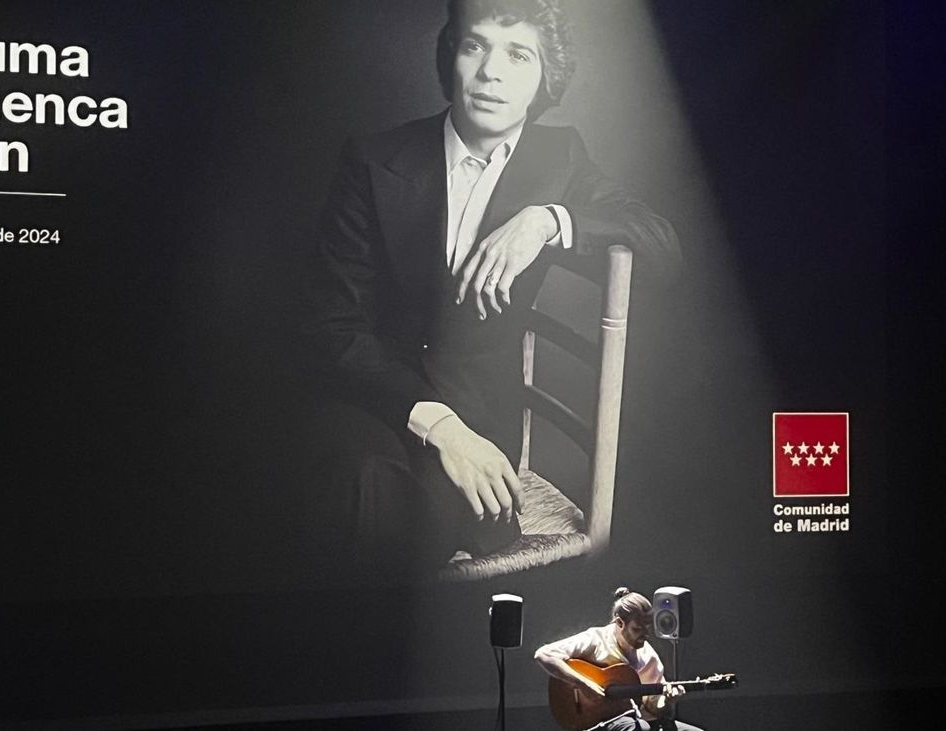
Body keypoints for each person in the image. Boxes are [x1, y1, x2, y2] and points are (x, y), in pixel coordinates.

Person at [300, 0, 679, 573]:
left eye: (518, 54)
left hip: (479, 413)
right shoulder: (374, 159)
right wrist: (440, 428)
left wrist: (548, 220)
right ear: (450, 54)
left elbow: (660, 244)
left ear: (545, 77)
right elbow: (333, 329)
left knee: (399, 524)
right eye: (475, 45)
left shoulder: (562, 157)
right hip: (378, 400)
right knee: (355, 493)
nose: (491, 71)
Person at [534, 588, 705, 731]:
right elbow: (544, 654)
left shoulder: (648, 655)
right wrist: (583, 685)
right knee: (638, 728)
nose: (645, 634)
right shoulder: (596, 639)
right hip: (600, 721)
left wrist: (667, 700)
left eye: (648, 627)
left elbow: (653, 707)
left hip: (639, 720)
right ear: (620, 623)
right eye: (638, 628)